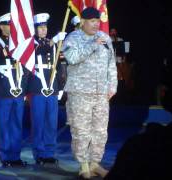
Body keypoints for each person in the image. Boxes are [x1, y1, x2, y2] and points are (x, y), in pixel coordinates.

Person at [62, 7, 118, 179]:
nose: (96, 24)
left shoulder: (105, 38)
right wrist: (92, 46)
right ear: (83, 22)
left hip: (101, 93)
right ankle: (83, 165)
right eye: (92, 21)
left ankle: (95, 163)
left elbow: (111, 65)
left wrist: (112, 87)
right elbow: (72, 58)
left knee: (100, 130)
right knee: (81, 130)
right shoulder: (73, 38)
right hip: (80, 92)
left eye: (98, 21)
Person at [0, 13, 29, 167]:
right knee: (4, 125)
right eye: (7, 25)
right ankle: (5, 156)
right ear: (1, 26)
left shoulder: (19, 42)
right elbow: (0, 55)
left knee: (17, 124)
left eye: (12, 25)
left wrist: (23, 87)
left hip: (18, 88)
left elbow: (25, 64)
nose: (10, 28)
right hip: (4, 88)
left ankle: (15, 155)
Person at [27, 13, 66, 166]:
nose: (43, 30)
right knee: (38, 122)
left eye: (45, 27)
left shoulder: (53, 43)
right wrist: (54, 40)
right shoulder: (31, 44)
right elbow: (39, 51)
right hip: (37, 87)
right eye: (40, 27)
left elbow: (58, 66)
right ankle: (39, 153)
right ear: (35, 29)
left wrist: (60, 87)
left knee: (51, 122)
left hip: (52, 87)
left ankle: (49, 152)